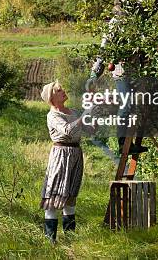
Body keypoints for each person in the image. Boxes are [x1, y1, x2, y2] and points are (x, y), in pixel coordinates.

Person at [39, 80, 96, 243]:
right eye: (58, 90)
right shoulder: (53, 115)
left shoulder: (74, 112)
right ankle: (50, 241)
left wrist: (94, 114)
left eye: (62, 88)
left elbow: (90, 130)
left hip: (76, 155)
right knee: (53, 196)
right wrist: (85, 114)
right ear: (52, 97)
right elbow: (69, 130)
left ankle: (70, 241)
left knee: (70, 196)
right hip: (61, 156)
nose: (63, 91)